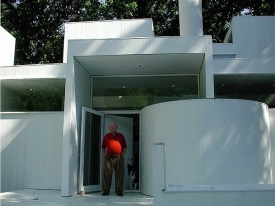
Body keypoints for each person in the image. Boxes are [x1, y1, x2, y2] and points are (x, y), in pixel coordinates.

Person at [101, 122, 127, 196]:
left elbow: (125, 146)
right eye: (111, 126)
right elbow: (103, 146)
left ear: (117, 127)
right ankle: (106, 191)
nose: (113, 127)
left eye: (114, 126)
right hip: (108, 158)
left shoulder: (121, 136)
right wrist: (104, 155)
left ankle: (119, 191)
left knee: (119, 174)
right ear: (109, 128)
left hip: (119, 157)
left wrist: (123, 155)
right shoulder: (106, 136)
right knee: (107, 174)